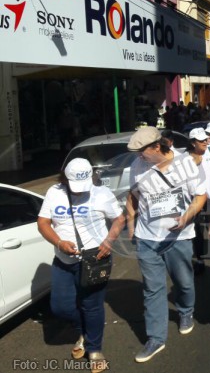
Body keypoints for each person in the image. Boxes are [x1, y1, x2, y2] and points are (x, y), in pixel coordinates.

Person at [124, 126, 208, 363]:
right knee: (153, 289)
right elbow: (132, 196)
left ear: (156, 146)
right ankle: (156, 338)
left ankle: (186, 311)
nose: (139, 156)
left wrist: (186, 217)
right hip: (147, 238)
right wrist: (131, 224)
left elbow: (200, 196)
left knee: (184, 282)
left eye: (142, 151)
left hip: (178, 238)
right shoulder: (136, 166)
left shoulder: (186, 163)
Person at [37, 158, 124, 373]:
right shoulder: (54, 192)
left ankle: (94, 349)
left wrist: (109, 242)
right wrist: (59, 242)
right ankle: (84, 331)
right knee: (61, 307)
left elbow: (119, 219)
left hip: (95, 259)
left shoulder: (102, 193)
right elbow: (43, 223)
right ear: (65, 178)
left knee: (91, 306)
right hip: (63, 261)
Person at [188, 127, 210, 272]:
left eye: (205, 139)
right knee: (197, 229)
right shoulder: (186, 158)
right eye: (200, 140)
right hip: (195, 199)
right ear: (193, 143)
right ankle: (200, 259)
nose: (205, 142)